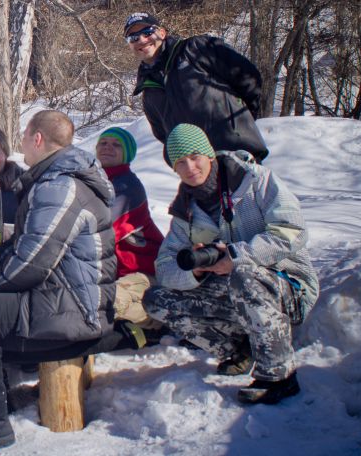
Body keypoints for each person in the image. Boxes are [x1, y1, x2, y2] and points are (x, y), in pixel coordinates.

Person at [0, 110, 116, 454]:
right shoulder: (52, 179)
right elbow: (23, 241)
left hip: (76, 307)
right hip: (62, 294)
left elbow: (33, 261)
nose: (21, 143)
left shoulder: (60, 186)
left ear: (37, 139)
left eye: (24, 136)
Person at [143, 123, 319, 404]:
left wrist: (236, 256)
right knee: (157, 299)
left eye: (195, 157)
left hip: (288, 287)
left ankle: (279, 375)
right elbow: (165, 266)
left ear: (209, 154)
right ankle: (239, 349)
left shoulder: (256, 181)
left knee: (243, 274)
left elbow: (292, 231)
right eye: (180, 163)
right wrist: (196, 272)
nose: (190, 168)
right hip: (235, 294)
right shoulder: (185, 209)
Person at [124, 12, 269, 166]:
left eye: (147, 32)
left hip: (238, 157)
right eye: (133, 37)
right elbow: (166, 136)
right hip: (197, 173)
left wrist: (240, 121)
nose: (141, 40)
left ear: (162, 32)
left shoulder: (196, 49)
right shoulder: (149, 92)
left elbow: (248, 77)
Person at [95, 127, 165, 331]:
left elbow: (102, 231)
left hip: (141, 273)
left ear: (127, 153)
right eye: (103, 143)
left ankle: (156, 322)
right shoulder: (95, 180)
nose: (108, 148)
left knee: (102, 302)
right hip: (112, 274)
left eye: (116, 145)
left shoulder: (128, 188)